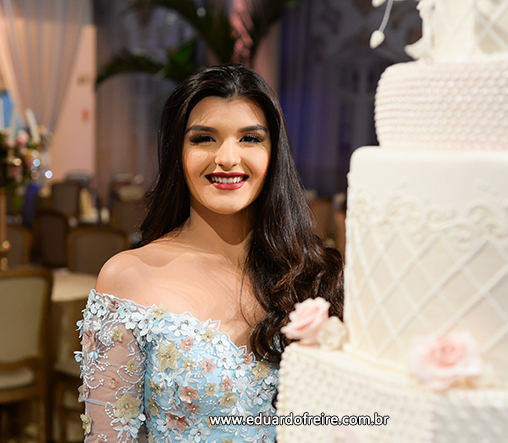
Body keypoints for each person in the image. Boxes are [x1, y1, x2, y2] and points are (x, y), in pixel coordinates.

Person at [77, 64, 344, 443]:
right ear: (177, 152)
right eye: (204, 139)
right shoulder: (128, 277)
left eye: (250, 138)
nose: (228, 158)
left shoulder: (313, 274)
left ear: (274, 153)